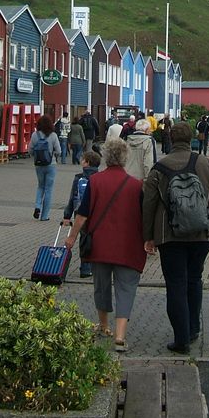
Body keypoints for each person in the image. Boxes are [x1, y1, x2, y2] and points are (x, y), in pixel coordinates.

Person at [142, 122, 209, 354]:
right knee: (195, 279)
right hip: (202, 233)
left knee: (176, 284)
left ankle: (181, 338)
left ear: (171, 139)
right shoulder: (206, 163)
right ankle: (194, 328)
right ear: (192, 138)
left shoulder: (159, 168)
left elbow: (149, 204)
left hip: (169, 235)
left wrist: (148, 237)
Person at [63, 139, 145, 353]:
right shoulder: (136, 186)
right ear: (125, 158)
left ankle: (104, 325)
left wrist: (71, 238)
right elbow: (145, 217)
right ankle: (120, 335)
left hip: (100, 245)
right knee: (126, 288)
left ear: (106, 157)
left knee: (101, 286)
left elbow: (82, 214)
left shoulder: (95, 181)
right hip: (129, 246)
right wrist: (150, 241)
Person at [63, 150, 101, 278]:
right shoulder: (100, 177)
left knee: (84, 239)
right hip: (96, 214)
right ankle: (95, 266)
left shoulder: (79, 177)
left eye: (83, 159)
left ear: (87, 163)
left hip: (80, 213)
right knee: (95, 239)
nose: (81, 161)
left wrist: (67, 216)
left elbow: (72, 198)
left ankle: (85, 268)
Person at [28, 115, 61, 221]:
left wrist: (36, 156)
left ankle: (37, 206)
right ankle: (44, 216)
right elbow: (59, 151)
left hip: (38, 165)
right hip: (51, 164)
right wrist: (53, 155)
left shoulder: (35, 135)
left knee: (40, 186)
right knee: (48, 190)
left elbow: (30, 150)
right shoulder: (53, 135)